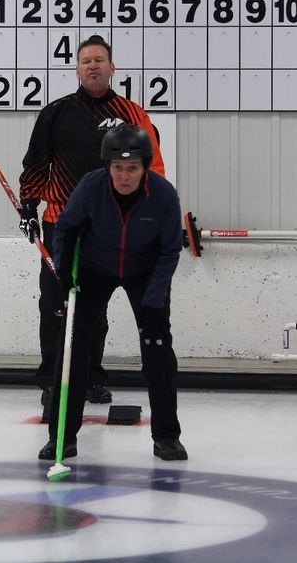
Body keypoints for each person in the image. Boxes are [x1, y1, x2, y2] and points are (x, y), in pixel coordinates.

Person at [18, 34, 165, 408]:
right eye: (86, 60)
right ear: (77, 69)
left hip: (110, 227)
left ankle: (92, 378)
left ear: (112, 68)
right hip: (60, 223)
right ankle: (54, 382)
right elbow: (35, 165)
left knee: (94, 306)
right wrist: (28, 207)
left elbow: (153, 168)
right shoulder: (55, 113)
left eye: (99, 60)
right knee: (55, 305)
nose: (93, 65)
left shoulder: (132, 114)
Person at [38, 123, 187, 462]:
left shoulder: (163, 195)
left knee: (157, 348)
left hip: (144, 270)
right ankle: (62, 437)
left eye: (132, 168)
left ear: (144, 167)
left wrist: (154, 300)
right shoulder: (91, 187)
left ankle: (167, 437)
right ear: (108, 166)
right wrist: (64, 272)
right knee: (73, 346)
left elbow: (169, 251)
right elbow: (66, 228)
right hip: (95, 267)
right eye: (118, 167)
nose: (124, 176)